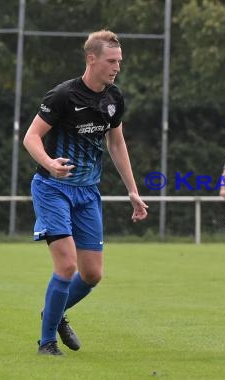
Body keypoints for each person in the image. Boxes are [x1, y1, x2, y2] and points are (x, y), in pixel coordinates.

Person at [23, 30, 148, 356]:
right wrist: (50, 163)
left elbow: (116, 143)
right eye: (111, 60)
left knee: (92, 273)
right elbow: (31, 137)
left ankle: (55, 310)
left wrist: (132, 191)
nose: (117, 67)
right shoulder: (62, 96)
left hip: (88, 193)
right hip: (53, 189)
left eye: (119, 61)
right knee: (66, 267)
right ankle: (47, 341)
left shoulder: (113, 98)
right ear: (91, 58)